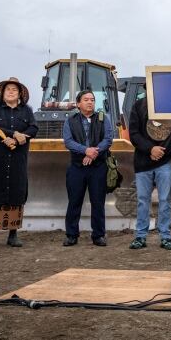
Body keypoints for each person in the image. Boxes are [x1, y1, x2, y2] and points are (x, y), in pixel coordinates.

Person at [0, 77, 38, 248]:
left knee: (16, 192)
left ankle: (13, 234)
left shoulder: (27, 111)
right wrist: (13, 135)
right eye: (8, 89)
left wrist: (20, 138)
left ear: (19, 94)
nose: (11, 92)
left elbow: (33, 128)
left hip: (18, 159)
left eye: (14, 89)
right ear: (2, 93)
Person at [127, 94, 171, 251]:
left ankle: (166, 236)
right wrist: (150, 149)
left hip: (164, 162)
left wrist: (163, 150)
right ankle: (140, 236)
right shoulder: (138, 105)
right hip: (142, 162)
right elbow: (134, 133)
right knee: (142, 200)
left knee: (165, 200)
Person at [63, 90, 114, 247]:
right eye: (86, 100)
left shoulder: (102, 118)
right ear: (78, 103)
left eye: (92, 99)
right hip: (77, 167)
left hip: (98, 167)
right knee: (74, 201)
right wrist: (85, 150)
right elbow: (68, 141)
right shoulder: (70, 120)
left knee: (98, 202)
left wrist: (93, 153)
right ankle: (71, 235)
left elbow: (108, 138)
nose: (90, 102)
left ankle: (98, 235)